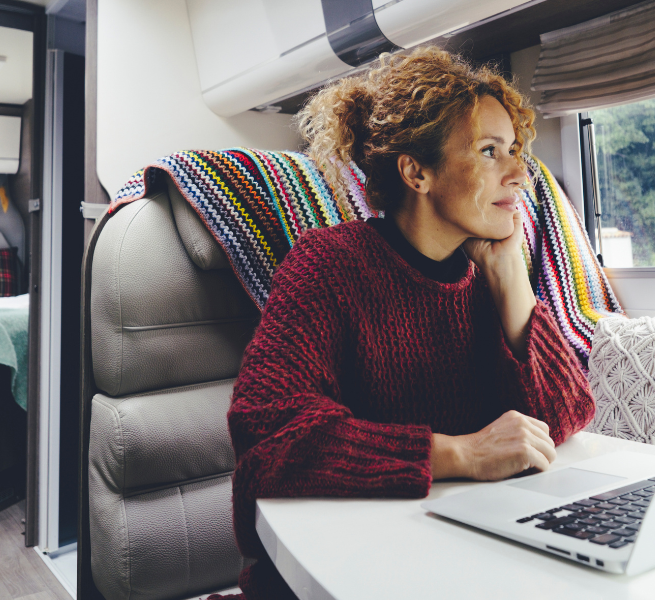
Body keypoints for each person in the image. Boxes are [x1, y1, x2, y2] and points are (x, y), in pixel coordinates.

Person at [211, 47, 594, 600]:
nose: (518, 173)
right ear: (417, 172)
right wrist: (459, 453)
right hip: (338, 572)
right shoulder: (328, 264)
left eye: (514, 150)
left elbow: (564, 417)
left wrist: (509, 276)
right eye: (490, 152)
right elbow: (269, 439)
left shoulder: (489, 271)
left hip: (455, 563)